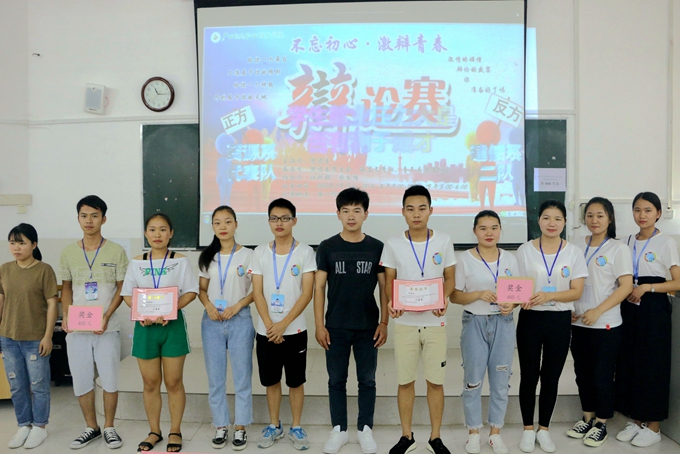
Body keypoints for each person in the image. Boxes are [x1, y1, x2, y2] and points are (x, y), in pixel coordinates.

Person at [380, 185, 456, 454]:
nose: (416, 214)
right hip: (405, 323)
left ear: (430, 211)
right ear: (402, 212)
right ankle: (407, 436)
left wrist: (444, 298)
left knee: (435, 381)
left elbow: (450, 278)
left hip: (435, 322)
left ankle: (435, 437)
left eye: (422, 208)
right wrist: (392, 302)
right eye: (410, 209)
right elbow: (389, 280)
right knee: (405, 381)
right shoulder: (393, 243)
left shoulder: (444, 240)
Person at [314, 188, 387, 454]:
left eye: (357, 210)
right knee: (336, 380)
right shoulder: (327, 246)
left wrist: (384, 322)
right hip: (335, 326)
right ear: (338, 214)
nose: (351, 216)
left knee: (367, 380)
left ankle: (365, 429)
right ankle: (339, 430)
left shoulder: (377, 247)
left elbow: (385, 288)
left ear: (366, 214)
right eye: (345, 211)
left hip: (368, 326)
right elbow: (319, 287)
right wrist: (319, 325)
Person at [120, 213, 198, 452]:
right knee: (150, 382)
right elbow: (127, 294)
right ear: (146, 233)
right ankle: (154, 431)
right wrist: (140, 311)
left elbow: (191, 291)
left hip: (172, 327)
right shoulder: (136, 262)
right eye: (152, 229)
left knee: (173, 382)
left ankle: (175, 430)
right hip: (145, 328)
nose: (157, 234)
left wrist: (171, 309)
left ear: (170, 233)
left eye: (163, 229)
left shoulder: (180, 261)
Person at [515, 200, 587, 453]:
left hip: (559, 320)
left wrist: (550, 295)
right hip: (530, 319)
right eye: (546, 217)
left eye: (557, 218)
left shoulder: (574, 252)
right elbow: (517, 286)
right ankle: (527, 429)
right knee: (529, 375)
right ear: (539, 221)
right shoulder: (525, 250)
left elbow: (576, 292)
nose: (552, 223)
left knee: (551, 377)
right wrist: (515, 300)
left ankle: (543, 429)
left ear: (565, 222)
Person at [60, 195, 129, 450]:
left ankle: (109, 427)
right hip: (77, 329)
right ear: (78, 218)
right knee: (81, 378)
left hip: (106, 328)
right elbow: (66, 287)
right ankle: (92, 427)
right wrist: (66, 315)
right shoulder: (68, 252)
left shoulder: (116, 251)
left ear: (104, 219)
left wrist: (107, 315)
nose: (89, 221)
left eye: (94, 216)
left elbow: (122, 288)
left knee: (109, 378)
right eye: (84, 215)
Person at [450, 210, 520, 454]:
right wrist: (478, 294)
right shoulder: (464, 259)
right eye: (483, 228)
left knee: (501, 380)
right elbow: (455, 296)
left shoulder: (510, 259)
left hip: (503, 322)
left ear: (500, 230)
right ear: (474, 231)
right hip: (475, 323)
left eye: (494, 227)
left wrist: (512, 304)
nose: (489, 233)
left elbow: (518, 294)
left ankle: (495, 433)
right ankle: (473, 432)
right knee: (473, 380)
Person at [249, 198, 316, 451]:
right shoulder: (259, 252)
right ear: (268, 221)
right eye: (274, 218)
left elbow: (307, 293)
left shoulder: (305, 252)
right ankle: (274, 425)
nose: (280, 223)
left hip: (295, 330)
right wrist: (270, 325)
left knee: (296, 381)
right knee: (271, 381)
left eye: (285, 218)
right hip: (265, 331)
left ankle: (296, 426)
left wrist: (283, 324)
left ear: (294, 221)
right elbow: (257, 293)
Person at [614, 192, 680, 448]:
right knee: (630, 361)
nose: (642, 215)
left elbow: (677, 282)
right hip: (629, 305)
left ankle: (654, 427)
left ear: (658, 213)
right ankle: (637, 420)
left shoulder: (666, 242)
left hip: (653, 307)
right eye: (637, 210)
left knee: (653, 364)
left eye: (648, 210)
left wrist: (647, 288)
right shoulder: (626, 241)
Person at [566, 197, 632, 447]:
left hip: (606, 324)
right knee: (582, 374)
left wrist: (597, 311)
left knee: (602, 376)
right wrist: (570, 308)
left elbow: (625, 287)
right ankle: (587, 417)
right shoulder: (575, 245)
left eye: (600, 215)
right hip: (578, 322)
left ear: (610, 218)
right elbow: (568, 280)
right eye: (590, 215)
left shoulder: (618, 248)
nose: (594, 220)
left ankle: (601, 422)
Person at [197, 206, 255, 450]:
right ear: (212, 226)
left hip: (240, 319)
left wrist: (238, 305)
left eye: (227, 222)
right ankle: (221, 425)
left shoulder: (249, 255)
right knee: (216, 377)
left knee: (242, 376)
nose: (223, 227)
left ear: (236, 224)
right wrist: (209, 305)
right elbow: (201, 290)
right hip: (212, 321)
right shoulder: (207, 256)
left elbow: (256, 290)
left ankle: (240, 426)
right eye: (217, 222)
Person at [0, 224, 58, 449]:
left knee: (38, 385)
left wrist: (48, 336)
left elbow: (52, 304)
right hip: (8, 338)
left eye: (22, 243)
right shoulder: (4, 269)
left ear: (34, 244)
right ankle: (23, 425)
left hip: (36, 339)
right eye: (12, 243)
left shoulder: (44, 270)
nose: (16, 247)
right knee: (17, 385)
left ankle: (40, 427)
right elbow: (1, 302)